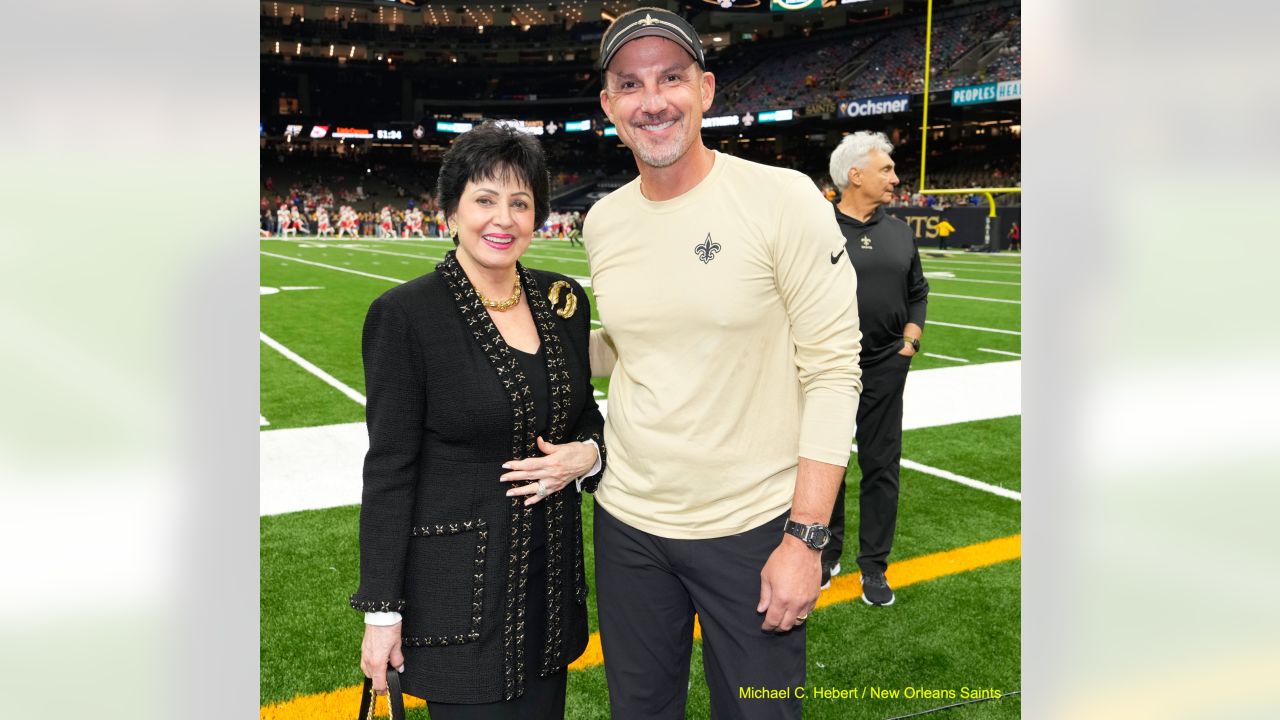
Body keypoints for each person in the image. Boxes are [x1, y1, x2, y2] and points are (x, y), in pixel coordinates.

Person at [584, 8, 862, 719]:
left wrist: (807, 536)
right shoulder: (604, 221)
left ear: (705, 89)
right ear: (610, 105)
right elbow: (627, 347)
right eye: (631, 83)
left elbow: (832, 371)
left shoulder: (782, 198)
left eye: (671, 77)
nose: (653, 100)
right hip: (629, 523)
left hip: (753, 526)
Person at [351, 121, 606, 718]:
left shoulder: (562, 300)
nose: (504, 218)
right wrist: (382, 613)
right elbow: (390, 468)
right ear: (451, 211)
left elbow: (587, 419)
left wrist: (588, 457)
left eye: (520, 202)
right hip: (458, 597)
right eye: (485, 200)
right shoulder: (405, 315)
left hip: (548, 589)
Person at [824, 131, 930, 606]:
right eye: (886, 169)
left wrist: (910, 340)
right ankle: (826, 553)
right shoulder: (815, 226)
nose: (896, 177)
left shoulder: (900, 231)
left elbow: (918, 291)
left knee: (881, 464)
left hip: (887, 362)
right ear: (855, 175)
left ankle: (874, 567)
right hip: (827, 363)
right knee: (826, 459)